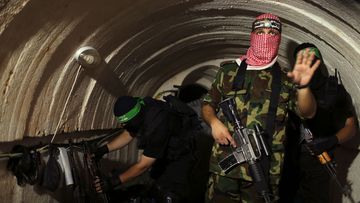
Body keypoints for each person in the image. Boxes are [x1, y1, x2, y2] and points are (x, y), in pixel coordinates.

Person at [201, 13, 320, 203]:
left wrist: (304, 87)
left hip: (264, 170)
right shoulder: (229, 71)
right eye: (260, 31)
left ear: (279, 39)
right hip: (225, 167)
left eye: (272, 32)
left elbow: (308, 112)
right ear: (252, 35)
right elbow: (208, 104)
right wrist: (214, 122)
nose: (266, 37)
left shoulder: (285, 80)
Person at [279, 43, 357, 203]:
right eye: (302, 61)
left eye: (311, 60)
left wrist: (332, 140)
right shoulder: (287, 87)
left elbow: (351, 127)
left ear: (319, 62)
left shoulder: (333, 90)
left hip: (318, 163)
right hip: (286, 162)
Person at [92, 95, 201, 203]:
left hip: (181, 156)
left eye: (126, 123)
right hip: (165, 153)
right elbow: (128, 133)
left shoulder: (156, 125)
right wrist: (104, 149)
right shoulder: (141, 107)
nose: (123, 126)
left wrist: (114, 182)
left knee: (171, 195)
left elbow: (143, 165)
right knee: (156, 186)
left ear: (134, 119)